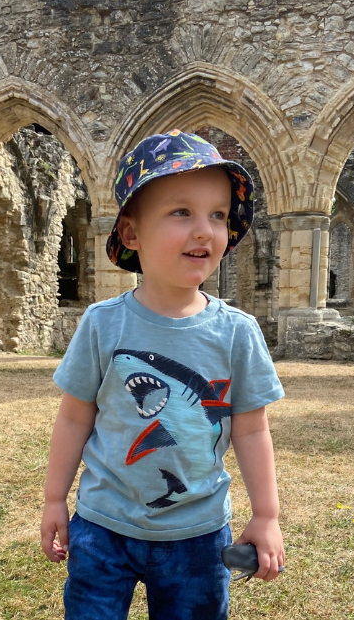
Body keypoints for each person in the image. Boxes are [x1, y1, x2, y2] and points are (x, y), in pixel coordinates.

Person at [40, 129, 286, 619]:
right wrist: (53, 500)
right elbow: (73, 419)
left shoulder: (238, 332)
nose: (205, 230)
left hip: (199, 533)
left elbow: (252, 428)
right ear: (131, 233)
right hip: (101, 524)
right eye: (181, 212)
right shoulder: (102, 324)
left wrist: (266, 516)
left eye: (218, 214)